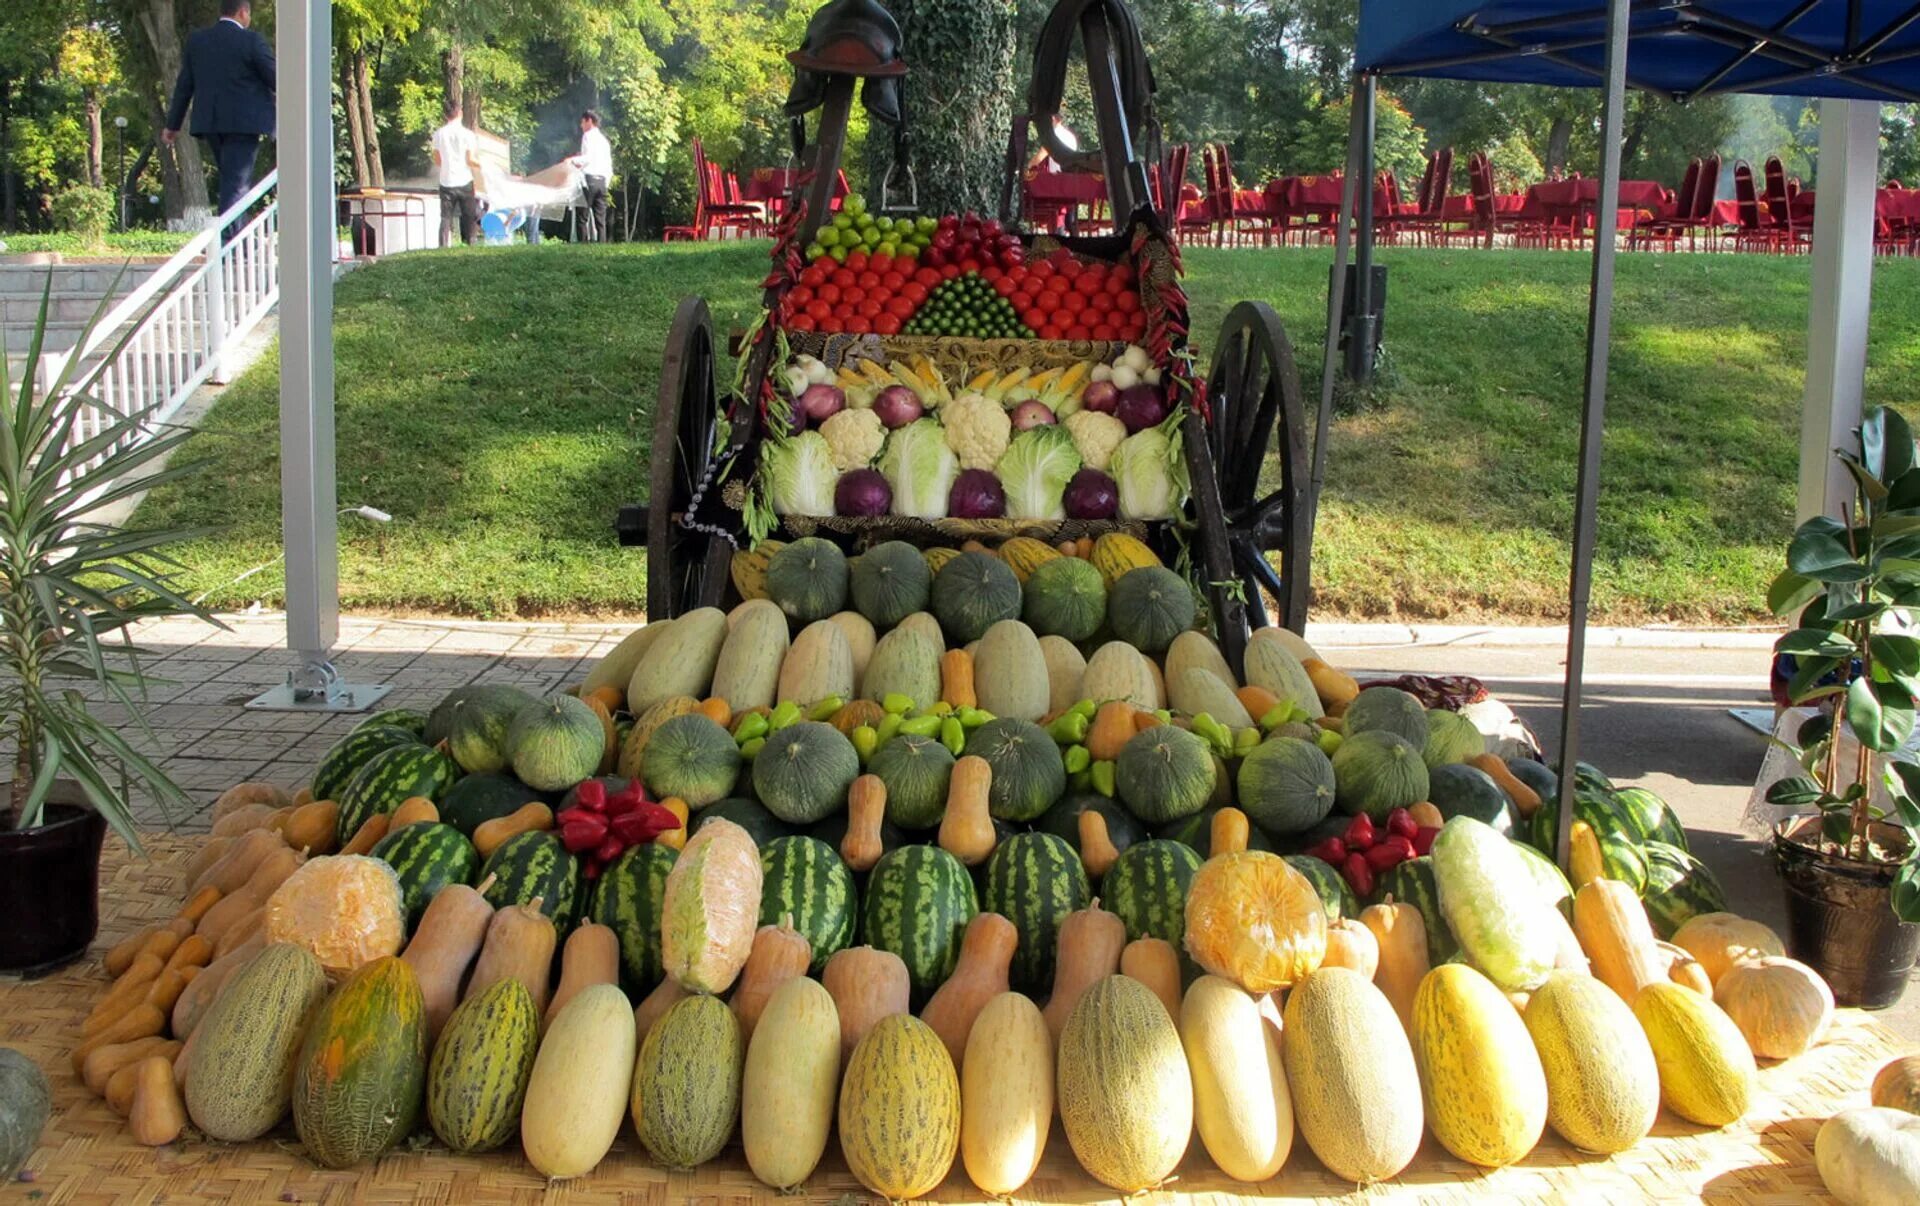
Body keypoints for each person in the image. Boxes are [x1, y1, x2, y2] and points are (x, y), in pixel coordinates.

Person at [162, 0, 276, 216]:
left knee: (230, 181)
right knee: (237, 185)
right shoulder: (251, 40)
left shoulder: (198, 41)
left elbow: (184, 85)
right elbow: (275, 76)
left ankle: (236, 237)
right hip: (244, 124)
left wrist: (172, 125)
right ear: (243, 13)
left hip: (211, 123)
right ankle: (228, 241)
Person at [431, 99, 481, 247]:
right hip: (465, 180)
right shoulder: (468, 135)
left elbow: (438, 160)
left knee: (445, 217)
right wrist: (484, 165)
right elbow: (470, 160)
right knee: (469, 216)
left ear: (445, 115)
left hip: (446, 181)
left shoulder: (438, 134)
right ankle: (470, 244)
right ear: (460, 113)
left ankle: (443, 245)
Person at [572, 110, 613, 242]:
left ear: (589, 120)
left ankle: (583, 244)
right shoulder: (604, 141)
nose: (581, 125)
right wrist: (606, 183)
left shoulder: (588, 136)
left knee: (582, 216)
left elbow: (587, 158)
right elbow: (608, 165)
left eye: (582, 122)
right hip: (602, 181)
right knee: (600, 218)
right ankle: (602, 244)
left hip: (589, 180)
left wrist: (573, 161)